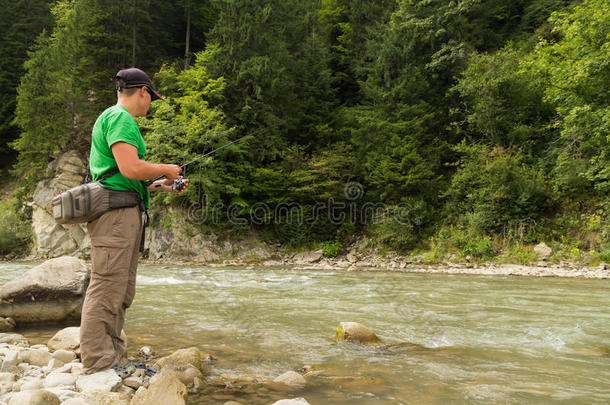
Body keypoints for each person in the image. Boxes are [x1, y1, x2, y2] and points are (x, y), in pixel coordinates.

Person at [80, 67, 188, 375]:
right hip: (115, 216)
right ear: (143, 91)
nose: (150, 104)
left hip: (123, 209)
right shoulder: (120, 118)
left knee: (121, 289)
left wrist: (160, 184)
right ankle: (99, 363)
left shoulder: (116, 119)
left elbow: (123, 176)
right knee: (106, 287)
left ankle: (115, 359)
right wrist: (166, 167)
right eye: (151, 98)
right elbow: (129, 168)